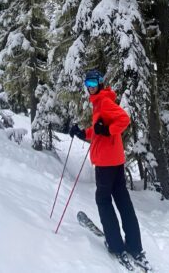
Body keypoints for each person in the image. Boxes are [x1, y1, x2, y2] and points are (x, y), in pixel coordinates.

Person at [69, 69, 149, 269]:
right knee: (122, 200)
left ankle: (116, 245)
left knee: (103, 200)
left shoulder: (103, 102)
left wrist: (106, 130)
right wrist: (82, 133)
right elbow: (98, 131)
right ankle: (134, 246)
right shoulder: (101, 102)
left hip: (106, 163)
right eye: (88, 84)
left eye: (94, 84)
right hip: (115, 160)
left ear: (101, 83)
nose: (90, 88)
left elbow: (124, 120)